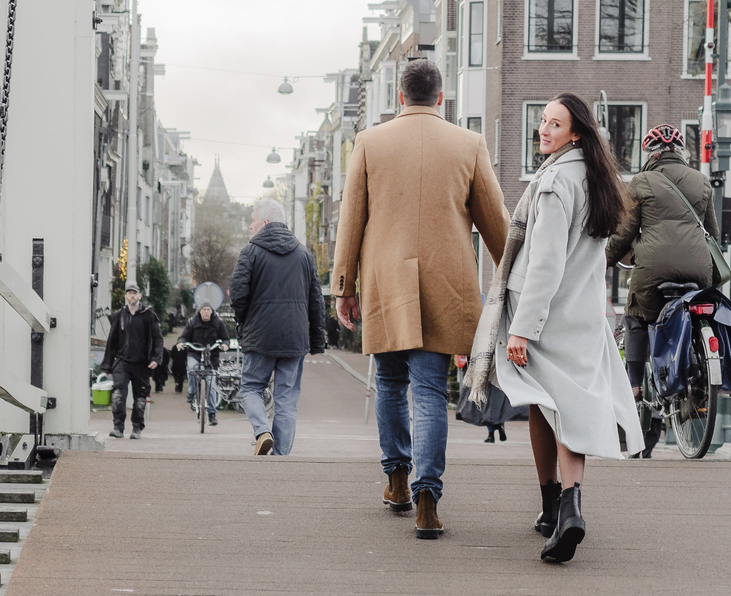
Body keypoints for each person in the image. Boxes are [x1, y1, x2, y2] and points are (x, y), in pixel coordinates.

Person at [332, 57, 510, 540]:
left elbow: (352, 219)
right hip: (444, 283)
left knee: (390, 383)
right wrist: (516, 279)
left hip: (386, 282)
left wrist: (343, 287)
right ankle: (428, 497)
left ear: (399, 97)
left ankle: (397, 481)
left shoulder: (370, 142)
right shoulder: (468, 144)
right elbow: (498, 228)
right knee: (429, 391)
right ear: (441, 99)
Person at [491, 93, 640, 563]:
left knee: (550, 409)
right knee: (561, 408)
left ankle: (559, 506)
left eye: (554, 124)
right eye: (542, 121)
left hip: (548, 318)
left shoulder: (554, 184)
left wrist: (523, 329)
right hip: (583, 317)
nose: (543, 129)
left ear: (575, 133)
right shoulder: (596, 179)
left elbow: (545, 264)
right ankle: (559, 508)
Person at [606, 124, 719, 456]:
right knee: (698, 305)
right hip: (700, 270)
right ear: (680, 152)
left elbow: (624, 234)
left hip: (654, 270)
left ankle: (636, 389)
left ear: (651, 154)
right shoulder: (701, 182)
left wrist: (604, 261)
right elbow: (712, 232)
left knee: (637, 315)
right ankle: (699, 365)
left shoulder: (640, 183)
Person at [229, 198, 326, 456]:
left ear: (265, 222)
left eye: (252, 221)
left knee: (250, 387)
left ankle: (262, 432)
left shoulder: (250, 252)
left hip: (260, 336)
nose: (251, 227)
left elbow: (238, 295)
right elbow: (316, 301)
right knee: (287, 399)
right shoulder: (304, 254)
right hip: (294, 339)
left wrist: (244, 324)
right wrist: (317, 340)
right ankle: (280, 456)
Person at [101, 279, 162, 440]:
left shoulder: (148, 315)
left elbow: (158, 338)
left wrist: (156, 358)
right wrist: (107, 366)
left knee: (140, 398)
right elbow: (111, 341)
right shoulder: (120, 315)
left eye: (135, 293)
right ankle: (118, 427)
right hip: (122, 362)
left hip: (142, 363)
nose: (132, 296)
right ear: (126, 296)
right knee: (118, 394)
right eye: (129, 293)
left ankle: (136, 427)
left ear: (140, 296)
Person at [178, 302, 227, 426]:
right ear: (199, 311)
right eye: (204, 309)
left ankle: (212, 414)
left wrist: (225, 345)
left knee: (211, 384)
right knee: (191, 368)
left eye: (208, 309)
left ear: (212, 311)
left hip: (211, 356)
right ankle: (192, 392)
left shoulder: (218, 323)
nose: (206, 312)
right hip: (194, 353)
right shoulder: (192, 322)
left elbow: (225, 338)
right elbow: (184, 337)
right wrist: (181, 343)